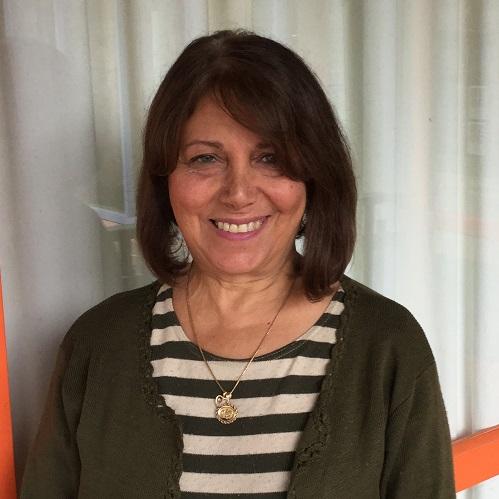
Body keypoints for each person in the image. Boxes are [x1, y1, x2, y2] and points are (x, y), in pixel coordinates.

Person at [20, 29, 455, 498]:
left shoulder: (388, 347)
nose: (239, 192)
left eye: (270, 158)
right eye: (206, 158)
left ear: (313, 176)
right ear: (165, 180)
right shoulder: (97, 346)